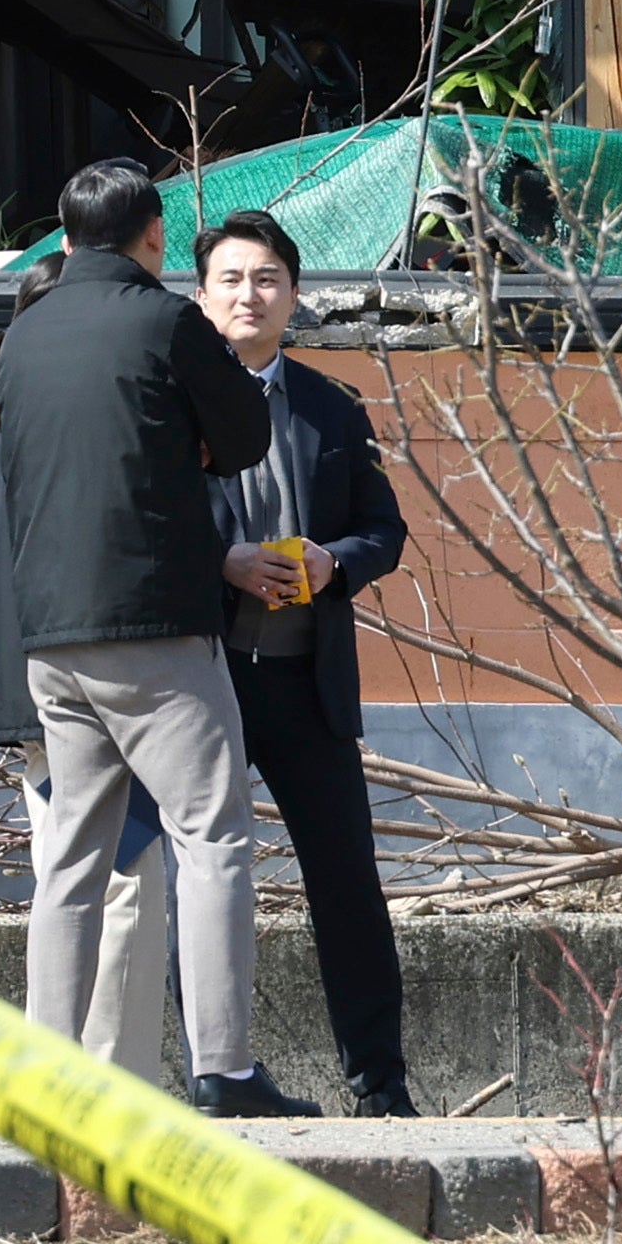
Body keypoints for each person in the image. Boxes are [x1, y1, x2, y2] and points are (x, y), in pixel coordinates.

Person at [0, 156, 300, 1119]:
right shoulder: (166, 320)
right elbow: (245, 435)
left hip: (50, 638)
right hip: (155, 626)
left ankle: (45, 1066)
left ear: (66, 238)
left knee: (72, 856)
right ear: (154, 239)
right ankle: (227, 1067)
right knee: (213, 836)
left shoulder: (24, 336)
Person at [184, 208, 417, 1115]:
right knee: (204, 875)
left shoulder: (332, 405)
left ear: (295, 296)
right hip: (200, 678)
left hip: (306, 680)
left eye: (268, 278)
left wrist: (332, 563)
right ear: (201, 296)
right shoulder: (167, 399)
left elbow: (384, 529)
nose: (251, 294)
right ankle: (213, 1075)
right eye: (232, 279)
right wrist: (222, 563)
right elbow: (147, 528)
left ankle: (382, 1086)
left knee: (348, 884)